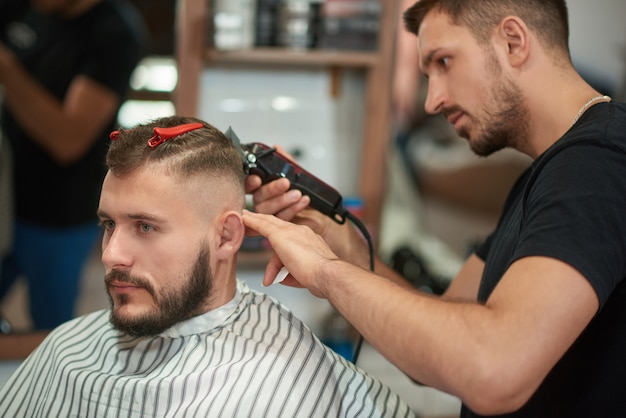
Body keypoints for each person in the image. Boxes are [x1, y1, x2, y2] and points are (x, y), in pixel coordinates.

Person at [242, 0, 626, 416]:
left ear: (513, 42)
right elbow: (449, 328)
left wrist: (323, 272)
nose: (432, 100)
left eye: (444, 61)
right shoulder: (545, 175)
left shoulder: (596, 162)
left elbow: (491, 369)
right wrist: (340, 244)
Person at [0, 115, 416, 417]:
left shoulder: (290, 378)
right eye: (109, 224)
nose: (111, 254)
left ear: (226, 237)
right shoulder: (67, 350)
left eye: (145, 226)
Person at [0, 0, 148, 330]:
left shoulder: (113, 35)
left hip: (59, 216)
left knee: (52, 330)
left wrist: (7, 69)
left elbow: (67, 140)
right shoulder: (25, 9)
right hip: (9, 202)